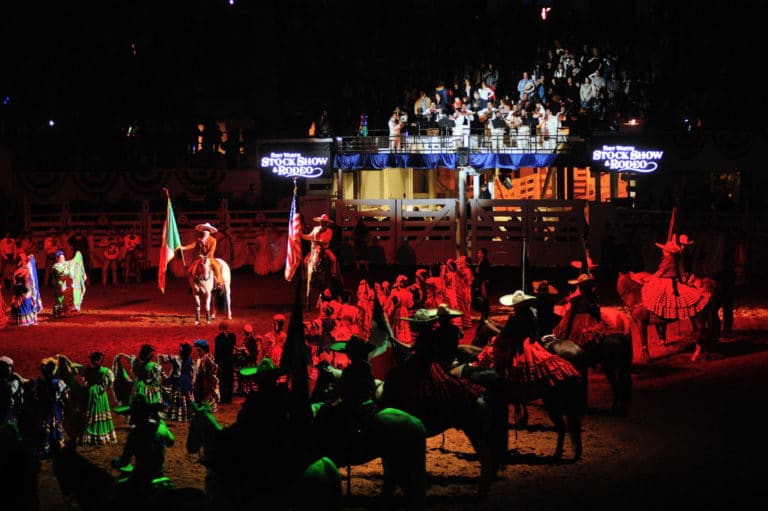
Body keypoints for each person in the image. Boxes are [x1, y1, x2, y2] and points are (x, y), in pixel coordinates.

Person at [475, 290, 581, 387]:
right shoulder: (530, 315)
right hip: (530, 342)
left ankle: (501, 380)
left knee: (495, 352)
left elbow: (506, 334)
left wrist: (494, 333)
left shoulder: (515, 319)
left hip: (517, 346)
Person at [111, 393, 175, 496]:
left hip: (142, 476)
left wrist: (116, 462)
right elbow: (171, 442)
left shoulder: (134, 434)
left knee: (118, 491)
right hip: (159, 473)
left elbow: (124, 461)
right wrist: (161, 423)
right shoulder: (160, 428)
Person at [641, 236, 710, 323]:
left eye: (665, 250)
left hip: (669, 280)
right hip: (669, 278)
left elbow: (660, 272)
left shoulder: (671, 258)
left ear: (669, 251)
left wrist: (648, 279)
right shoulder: (671, 257)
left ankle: (661, 317)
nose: (663, 251)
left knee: (660, 297)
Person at [80, 351, 118, 446]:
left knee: (92, 413)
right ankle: (104, 437)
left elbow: (85, 380)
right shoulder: (106, 371)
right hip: (101, 394)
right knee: (103, 412)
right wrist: (103, 386)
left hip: (92, 393)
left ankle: (93, 438)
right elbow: (110, 383)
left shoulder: (88, 370)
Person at [180, 222, 223, 289]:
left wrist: (206, 257)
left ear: (209, 232)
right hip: (199, 258)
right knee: (190, 269)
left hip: (209, 258)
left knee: (217, 266)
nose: (205, 231)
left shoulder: (213, 240)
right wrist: (184, 247)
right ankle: (192, 284)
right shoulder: (199, 239)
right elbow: (192, 245)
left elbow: (212, 250)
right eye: (204, 230)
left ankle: (219, 282)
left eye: (207, 230)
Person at [300, 213, 340, 279]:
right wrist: (302, 235)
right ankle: (307, 275)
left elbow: (327, 240)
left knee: (333, 259)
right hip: (315, 249)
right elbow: (310, 237)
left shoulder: (329, 231)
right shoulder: (315, 229)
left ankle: (334, 272)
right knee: (305, 261)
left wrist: (318, 242)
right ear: (320, 222)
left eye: (325, 222)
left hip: (325, 249)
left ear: (327, 223)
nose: (323, 223)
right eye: (322, 222)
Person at [10, 253, 42, 326]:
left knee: (25, 304)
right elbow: (15, 281)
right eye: (23, 259)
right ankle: (22, 320)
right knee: (21, 305)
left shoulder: (26, 269)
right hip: (21, 290)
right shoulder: (22, 270)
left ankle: (26, 320)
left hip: (24, 290)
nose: (25, 261)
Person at [193, 339, 220, 412]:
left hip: (207, 382)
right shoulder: (202, 358)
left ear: (205, 350)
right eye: (197, 351)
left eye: (199, 350)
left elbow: (209, 375)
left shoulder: (207, 360)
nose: (198, 352)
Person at [214, 320, 236, 404]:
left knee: (222, 380)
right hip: (230, 361)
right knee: (229, 379)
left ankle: (223, 398)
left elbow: (217, 352)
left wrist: (216, 362)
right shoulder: (233, 336)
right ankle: (229, 398)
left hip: (222, 362)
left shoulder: (218, 338)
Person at [472, 248, 491, 320]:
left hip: (482, 283)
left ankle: (485, 314)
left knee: (484, 298)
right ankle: (484, 313)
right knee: (482, 298)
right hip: (480, 282)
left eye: (479, 253)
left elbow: (485, 273)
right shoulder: (481, 261)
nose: (477, 254)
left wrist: (483, 282)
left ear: (482, 254)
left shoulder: (485, 262)